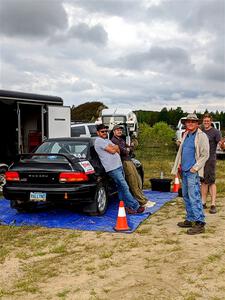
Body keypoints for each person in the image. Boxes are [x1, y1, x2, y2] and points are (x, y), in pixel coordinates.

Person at [172, 113, 209, 235]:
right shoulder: (186, 134)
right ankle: (190, 218)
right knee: (186, 196)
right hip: (184, 171)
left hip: (193, 172)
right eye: (188, 122)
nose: (190, 123)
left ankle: (200, 223)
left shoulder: (201, 136)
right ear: (185, 124)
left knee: (194, 197)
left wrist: (195, 168)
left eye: (193, 122)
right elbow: (182, 152)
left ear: (197, 123)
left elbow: (205, 155)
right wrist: (179, 166)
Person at [94, 123, 145, 214]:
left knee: (121, 188)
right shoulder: (99, 141)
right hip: (112, 168)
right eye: (102, 131)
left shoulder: (107, 140)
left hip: (118, 166)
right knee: (125, 186)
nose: (105, 133)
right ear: (97, 132)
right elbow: (114, 150)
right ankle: (135, 206)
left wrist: (115, 148)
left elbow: (117, 149)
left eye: (106, 131)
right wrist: (114, 148)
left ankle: (126, 207)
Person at [111, 124, 155, 208]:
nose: (119, 131)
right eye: (117, 130)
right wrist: (129, 148)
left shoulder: (121, 139)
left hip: (129, 160)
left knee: (137, 181)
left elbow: (129, 149)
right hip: (125, 162)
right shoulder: (114, 141)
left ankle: (144, 199)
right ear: (113, 132)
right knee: (132, 183)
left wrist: (130, 147)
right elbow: (125, 151)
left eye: (120, 130)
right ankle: (142, 202)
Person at [201, 113, 222, 214]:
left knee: (211, 182)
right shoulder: (200, 130)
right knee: (203, 181)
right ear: (203, 121)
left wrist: (223, 145)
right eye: (205, 121)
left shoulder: (216, 132)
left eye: (208, 121)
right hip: (201, 160)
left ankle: (213, 204)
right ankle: (203, 202)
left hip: (210, 160)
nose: (206, 122)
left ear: (211, 121)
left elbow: (221, 144)